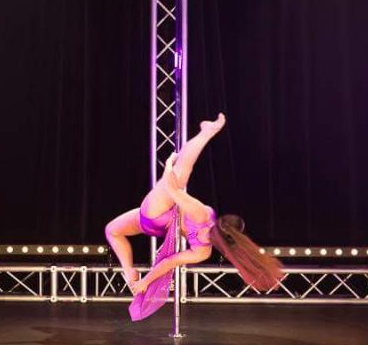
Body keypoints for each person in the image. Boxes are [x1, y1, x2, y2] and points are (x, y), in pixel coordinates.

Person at [105, 114, 282, 321]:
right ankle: (129, 272)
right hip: (155, 224)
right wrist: (144, 281)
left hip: (156, 213)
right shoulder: (203, 251)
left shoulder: (203, 214)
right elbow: (168, 263)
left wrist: (168, 165)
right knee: (112, 230)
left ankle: (206, 133)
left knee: (180, 173)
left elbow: (171, 188)